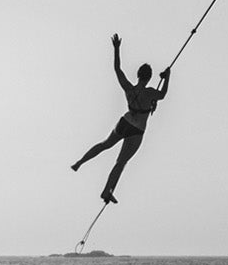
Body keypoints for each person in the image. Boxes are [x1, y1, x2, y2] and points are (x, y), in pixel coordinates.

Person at [71, 33, 171, 205]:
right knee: (121, 162)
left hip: (124, 122)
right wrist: (167, 77)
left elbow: (118, 69)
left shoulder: (129, 89)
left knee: (104, 145)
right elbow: (163, 94)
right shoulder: (150, 93)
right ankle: (106, 191)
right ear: (149, 77)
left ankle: (80, 161)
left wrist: (117, 49)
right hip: (136, 130)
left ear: (139, 75)